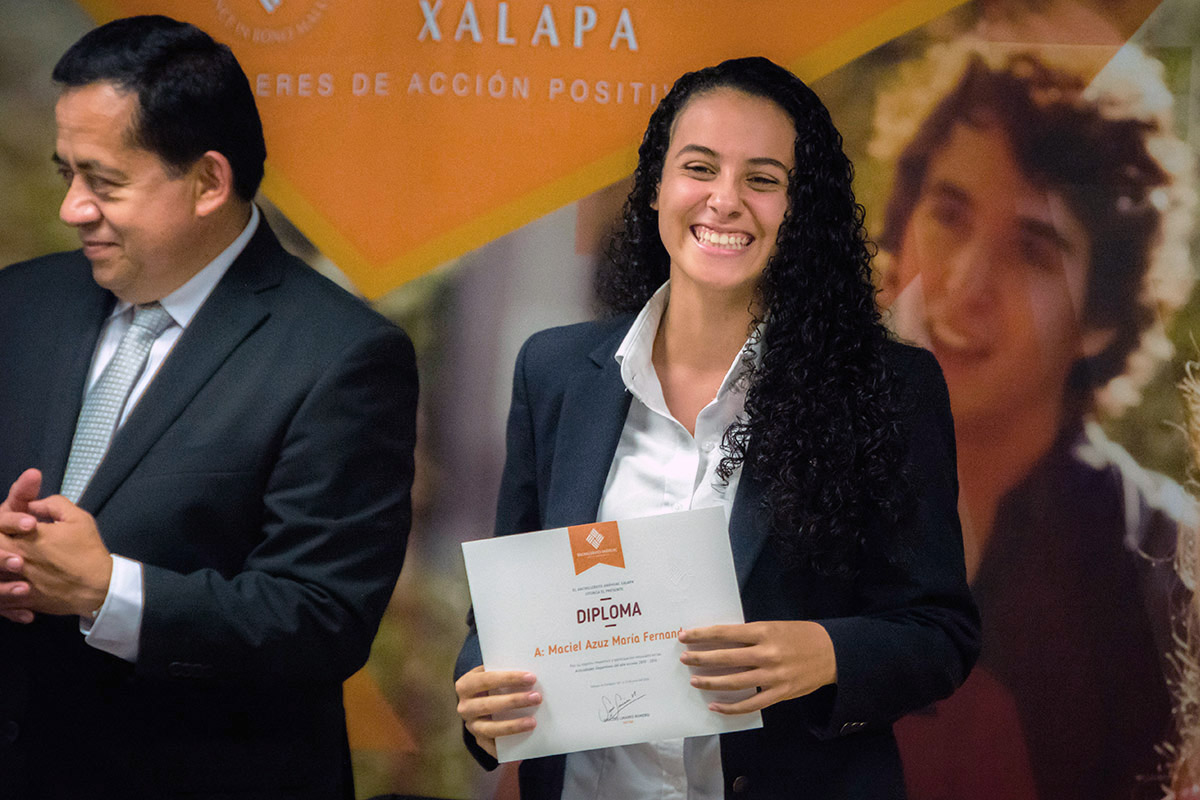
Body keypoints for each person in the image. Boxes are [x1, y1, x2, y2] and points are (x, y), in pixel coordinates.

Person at [454, 56, 979, 799]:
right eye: (699, 168)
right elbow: (504, 615)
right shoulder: (556, 373)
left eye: (763, 180)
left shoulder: (888, 388)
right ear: (658, 187)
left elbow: (940, 631)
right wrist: (480, 690)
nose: (725, 201)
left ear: (801, 210)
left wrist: (826, 652)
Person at [0, 15, 417, 800]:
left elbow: (320, 618)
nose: (73, 209)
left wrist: (106, 589)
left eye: (105, 181)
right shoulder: (19, 304)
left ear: (207, 183)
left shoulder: (340, 355)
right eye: (67, 175)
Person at [870, 42, 1197, 799]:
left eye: (1032, 250)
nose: (964, 284)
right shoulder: (770, 481)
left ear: (1101, 316)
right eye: (949, 215)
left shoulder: (1170, 578)